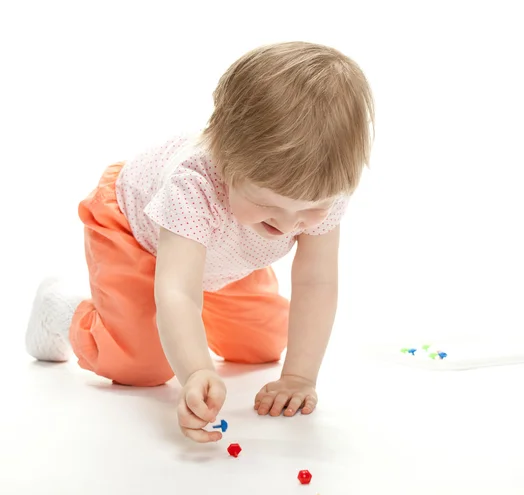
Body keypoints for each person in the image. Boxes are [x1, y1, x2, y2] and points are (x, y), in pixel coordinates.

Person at [25, 41, 375, 443]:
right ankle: (61, 312)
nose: (290, 223)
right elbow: (176, 291)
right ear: (225, 162)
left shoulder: (322, 187)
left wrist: (299, 376)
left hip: (218, 258)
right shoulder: (193, 186)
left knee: (265, 342)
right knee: (143, 365)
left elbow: (316, 282)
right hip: (136, 234)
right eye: (267, 204)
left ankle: (187, 326)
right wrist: (196, 371)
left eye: (310, 211)